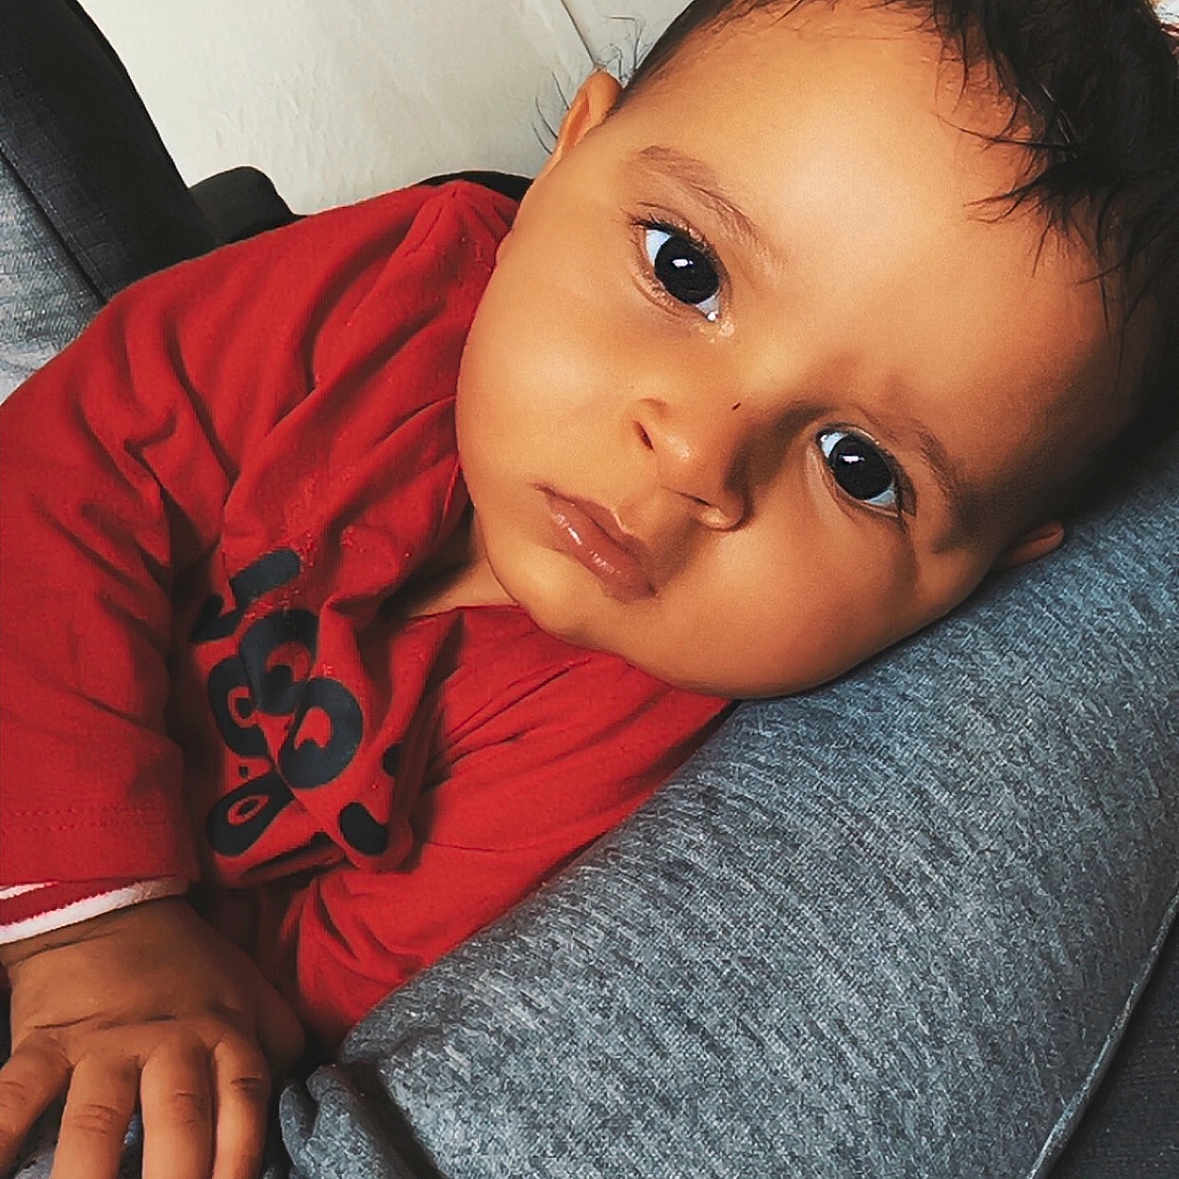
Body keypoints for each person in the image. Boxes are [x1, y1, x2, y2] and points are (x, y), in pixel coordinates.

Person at [1, 0, 1175, 1176]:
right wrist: (99, 914)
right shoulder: (388, 281)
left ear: (985, 574)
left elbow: (287, 997)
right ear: (570, 155)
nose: (697, 456)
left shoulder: (631, 748)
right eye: (685, 269)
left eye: (858, 468)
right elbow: (60, 475)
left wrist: (126, 986)